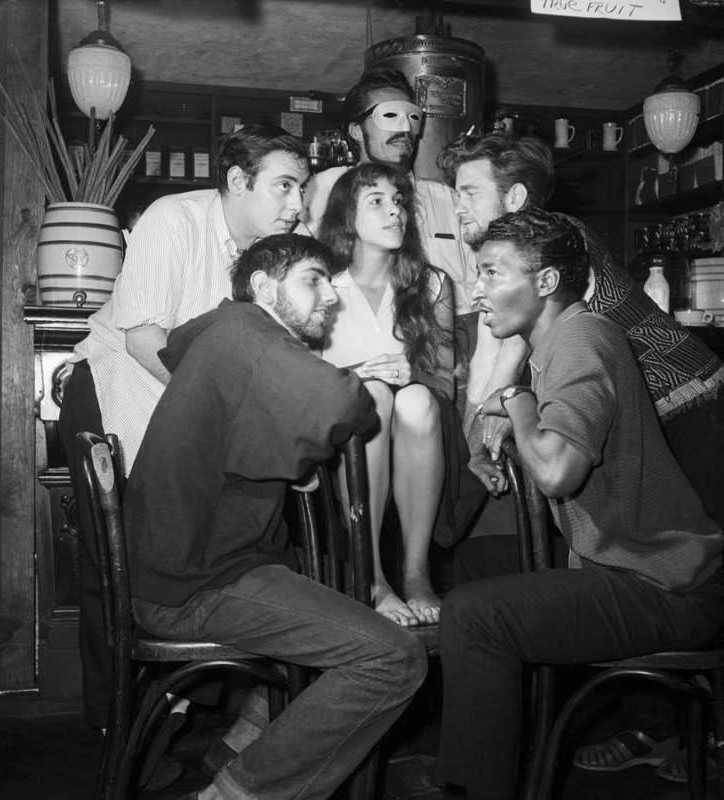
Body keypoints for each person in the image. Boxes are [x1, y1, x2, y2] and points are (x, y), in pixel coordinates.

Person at [437, 132, 724, 777]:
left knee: (688, 563)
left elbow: (537, 368)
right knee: (485, 576)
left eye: (469, 192)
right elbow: (531, 351)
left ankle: (683, 737)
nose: (458, 208)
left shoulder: (557, 248)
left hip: (700, 406)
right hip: (655, 426)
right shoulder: (550, 313)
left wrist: (499, 405)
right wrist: (498, 413)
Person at [124, 233, 428, 800]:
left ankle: (240, 742)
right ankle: (236, 792)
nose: (329, 296)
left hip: (183, 569)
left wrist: (298, 458)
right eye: (313, 280)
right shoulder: (249, 332)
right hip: (196, 586)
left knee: (341, 595)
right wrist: (365, 382)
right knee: (393, 658)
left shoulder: (224, 333)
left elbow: (256, 430)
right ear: (263, 286)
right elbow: (344, 406)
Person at [58, 124, 309, 732]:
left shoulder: (281, 248)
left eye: (300, 188)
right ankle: (115, 724)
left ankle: (204, 715)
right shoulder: (175, 219)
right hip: (117, 392)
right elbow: (145, 341)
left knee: (233, 550)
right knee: (117, 570)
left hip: (189, 409)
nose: (297, 205)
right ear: (236, 182)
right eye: (283, 186)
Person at [317, 163, 454, 627]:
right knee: (373, 395)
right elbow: (298, 377)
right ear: (345, 215)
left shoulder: (431, 284)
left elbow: (445, 380)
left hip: (424, 429)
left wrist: (414, 371)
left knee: (413, 399)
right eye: (376, 201)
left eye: (398, 202)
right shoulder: (319, 284)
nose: (394, 212)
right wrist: (353, 376)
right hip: (341, 433)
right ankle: (371, 574)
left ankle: (416, 574)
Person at [303, 67, 475, 316]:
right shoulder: (321, 191)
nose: (404, 128)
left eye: (413, 118)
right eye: (390, 115)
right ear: (355, 131)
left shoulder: (448, 199)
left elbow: (480, 281)